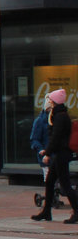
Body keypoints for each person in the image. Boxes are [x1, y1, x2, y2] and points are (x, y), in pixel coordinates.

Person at [32, 88, 77, 223]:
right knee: (50, 182)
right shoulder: (58, 115)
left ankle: (77, 211)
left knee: (65, 184)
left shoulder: (60, 117)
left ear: (55, 101)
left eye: (50, 99)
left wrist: (47, 152)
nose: (49, 101)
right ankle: (46, 212)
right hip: (59, 153)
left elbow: (56, 138)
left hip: (61, 154)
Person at [30, 102, 50, 182]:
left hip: (56, 156)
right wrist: (41, 150)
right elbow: (34, 139)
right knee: (50, 182)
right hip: (46, 156)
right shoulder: (40, 121)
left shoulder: (56, 120)